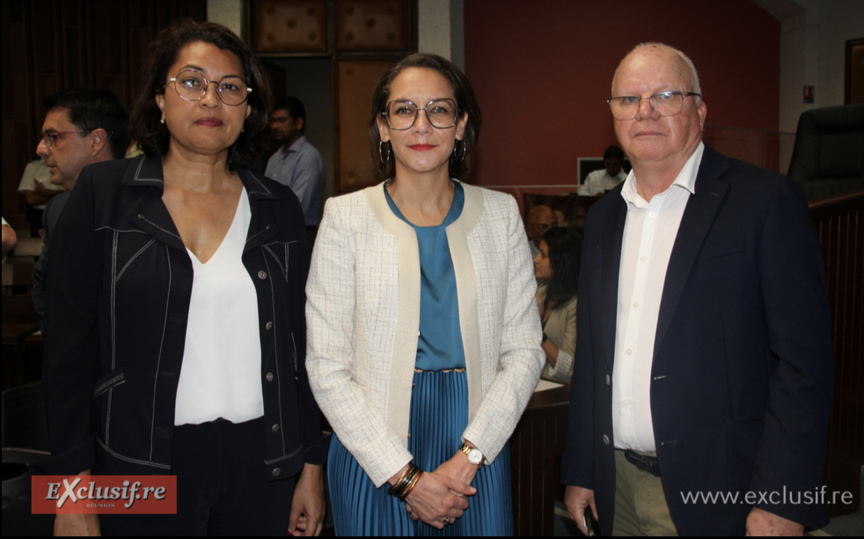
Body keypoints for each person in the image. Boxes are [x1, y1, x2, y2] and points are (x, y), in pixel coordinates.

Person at [38, 19, 325, 536]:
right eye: (192, 82)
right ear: (160, 99)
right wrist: (68, 490)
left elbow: (299, 345)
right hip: (135, 460)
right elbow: (66, 352)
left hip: (262, 463)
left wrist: (310, 463)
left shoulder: (276, 205)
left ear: (248, 109)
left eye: (230, 87)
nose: (211, 99)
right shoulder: (102, 195)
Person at [561, 42, 834, 536]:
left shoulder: (765, 201)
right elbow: (593, 359)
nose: (645, 111)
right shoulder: (603, 218)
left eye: (665, 95)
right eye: (629, 99)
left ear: (700, 111)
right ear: (613, 115)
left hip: (722, 490)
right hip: (615, 485)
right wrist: (582, 468)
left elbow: (804, 365)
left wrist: (784, 499)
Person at [305, 52, 543, 535]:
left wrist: (471, 454)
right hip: (374, 449)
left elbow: (524, 351)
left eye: (439, 110)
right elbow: (327, 366)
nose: (422, 125)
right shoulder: (344, 219)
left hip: (476, 441)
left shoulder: (501, 216)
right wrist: (406, 478)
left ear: (461, 125)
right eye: (404, 110)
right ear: (383, 126)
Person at [32, 87, 130, 325]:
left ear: (96, 141)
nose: (41, 149)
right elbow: (46, 292)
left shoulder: (151, 204)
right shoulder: (57, 209)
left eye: (53, 137)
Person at [264, 96, 325, 244]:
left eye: (282, 120)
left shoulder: (308, 156)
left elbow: (297, 207)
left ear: (298, 123)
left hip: (299, 235)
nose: (275, 126)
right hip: (273, 234)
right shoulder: (274, 158)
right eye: (273, 121)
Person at [533, 227, 580, 383]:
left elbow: (569, 370)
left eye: (543, 255)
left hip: (557, 391)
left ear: (560, 262)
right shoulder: (540, 293)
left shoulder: (575, 305)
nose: (535, 259)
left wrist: (538, 331)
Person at [17, 157, 63, 237]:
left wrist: (46, 193)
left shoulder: (69, 164)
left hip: (63, 212)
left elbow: (74, 194)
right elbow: (31, 198)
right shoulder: (33, 166)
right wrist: (60, 195)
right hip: (39, 215)